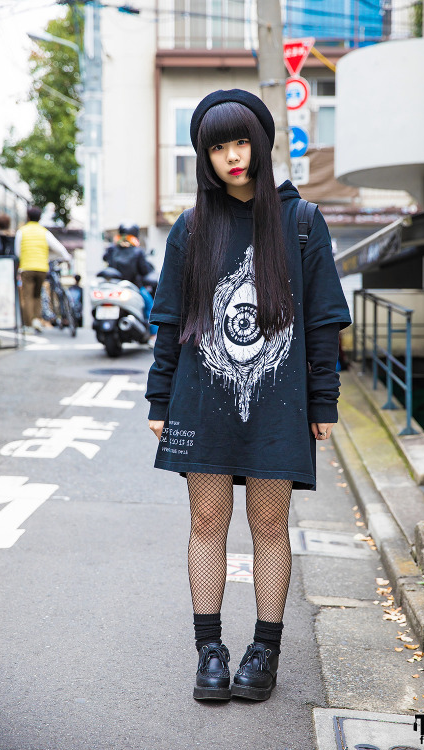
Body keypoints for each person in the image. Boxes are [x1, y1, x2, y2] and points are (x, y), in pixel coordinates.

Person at [145, 89, 352, 702]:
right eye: (218, 147)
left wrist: (324, 400)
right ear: (204, 158)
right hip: (201, 395)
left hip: (278, 400)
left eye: (241, 143)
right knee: (206, 523)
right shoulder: (191, 227)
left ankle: (265, 650)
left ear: (261, 146)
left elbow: (321, 321)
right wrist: (160, 402)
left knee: (269, 526)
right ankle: (209, 649)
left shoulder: (301, 222)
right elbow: (169, 320)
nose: (233, 157)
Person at [15, 206, 71, 333]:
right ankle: (36, 319)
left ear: (28, 217)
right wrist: (59, 257)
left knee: (27, 296)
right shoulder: (44, 232)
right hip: (41, 268)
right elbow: (60, 249)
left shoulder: (21, 231)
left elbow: (18, 252)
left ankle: (29, 325)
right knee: (37, 294)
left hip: (27, 268)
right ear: (39, 218)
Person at [103, 223, 155, 322]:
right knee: (149, 305)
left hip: (114, 287)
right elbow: (144, 271)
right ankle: (153, 335)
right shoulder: (138, 251)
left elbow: (105, 258)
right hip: (134, 287)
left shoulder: (112, 249)